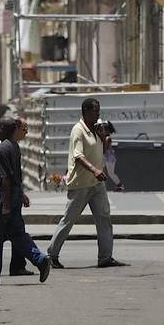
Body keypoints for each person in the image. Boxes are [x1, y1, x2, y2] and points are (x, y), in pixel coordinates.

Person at [0, 117, 50, 286]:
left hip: (2, 197)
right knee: (17, 234)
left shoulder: (2, 149)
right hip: (12, 195)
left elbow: (6, 179)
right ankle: (40, 259)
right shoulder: (13, 146)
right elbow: (15, 176)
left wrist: (5, 205)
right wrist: (18, 195)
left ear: (3, 130)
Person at [46, 97, 123, 269]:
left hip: (96, 184)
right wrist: (94, 170)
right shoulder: (78, 130)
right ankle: (51, 255)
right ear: (86, 112)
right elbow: (78, 156)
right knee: (68, 220)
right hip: (81, 184)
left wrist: (103, 138)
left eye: (99, 110)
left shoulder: (95, 130)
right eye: (95, 111)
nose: (98, 114)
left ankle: (105, 257)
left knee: (104, 219)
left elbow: (101, 151)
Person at [97, 120, 123, 191]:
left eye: (103, 129)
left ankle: (119, 185)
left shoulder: (107, 138)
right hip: (105, 157)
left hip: (109, 158)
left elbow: (105, 149)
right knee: (100, 170)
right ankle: (99, 186)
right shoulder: (104, 137)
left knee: (111, 173)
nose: (102, 131)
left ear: (107, 130)